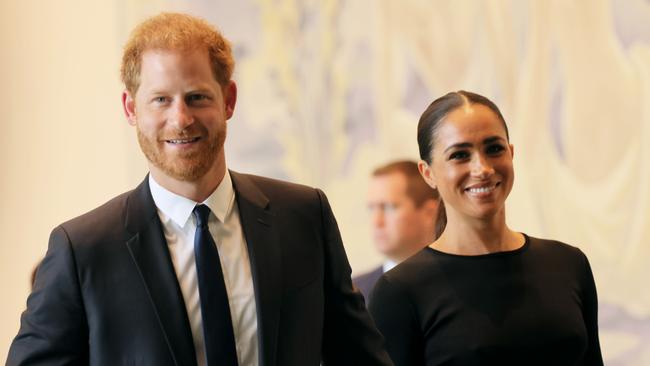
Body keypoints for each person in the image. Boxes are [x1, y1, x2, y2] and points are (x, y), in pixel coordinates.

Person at [7, 13, 392, 366]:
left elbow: (359, 356)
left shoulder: (304, 215)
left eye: (197, 97)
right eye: (160, 99)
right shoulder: (82, 250)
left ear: (229, 100)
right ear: (130, 109)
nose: (181, 118)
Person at [368, 91, 603, 365]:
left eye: (494, 149)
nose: (482, 168)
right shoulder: (400, 291)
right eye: (460, 155)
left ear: (511, 153)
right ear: (428, 173)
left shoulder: (568, 264)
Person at [353, 160, 438, 302]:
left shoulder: (459, 281)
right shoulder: (353, 293)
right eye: (371, 208)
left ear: (430, 212)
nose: (376, 221)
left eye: (388, 207)